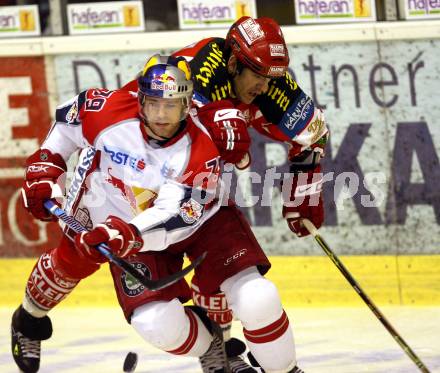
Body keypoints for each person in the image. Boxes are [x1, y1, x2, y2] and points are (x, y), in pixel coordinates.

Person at [11, 54, 305, 373]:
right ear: (139, 98)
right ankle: (28, 320)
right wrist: (46, 167)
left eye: (172, 105)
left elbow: (174, 214)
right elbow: (67, 126)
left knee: (258, 298)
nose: (161, 116)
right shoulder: (107, 110)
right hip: (113, 206)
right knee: (142, 314)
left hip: (198, 220)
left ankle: (284, 369)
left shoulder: (201, 146)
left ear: (188, 103)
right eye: (153, 103)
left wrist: (127, 234)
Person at [123, 15, 328, 370]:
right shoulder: (194, 75)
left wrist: (304, 186)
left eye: (271, 79)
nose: (265, 88)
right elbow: (159, 130)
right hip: (138, 188)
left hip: (200, 188)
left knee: (249, 288)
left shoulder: (265, 80)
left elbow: (312, 131)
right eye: (258, 77)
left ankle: (232, 351)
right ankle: (215, 348)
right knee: (158, 320)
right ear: (233, 63)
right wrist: (220, 130)